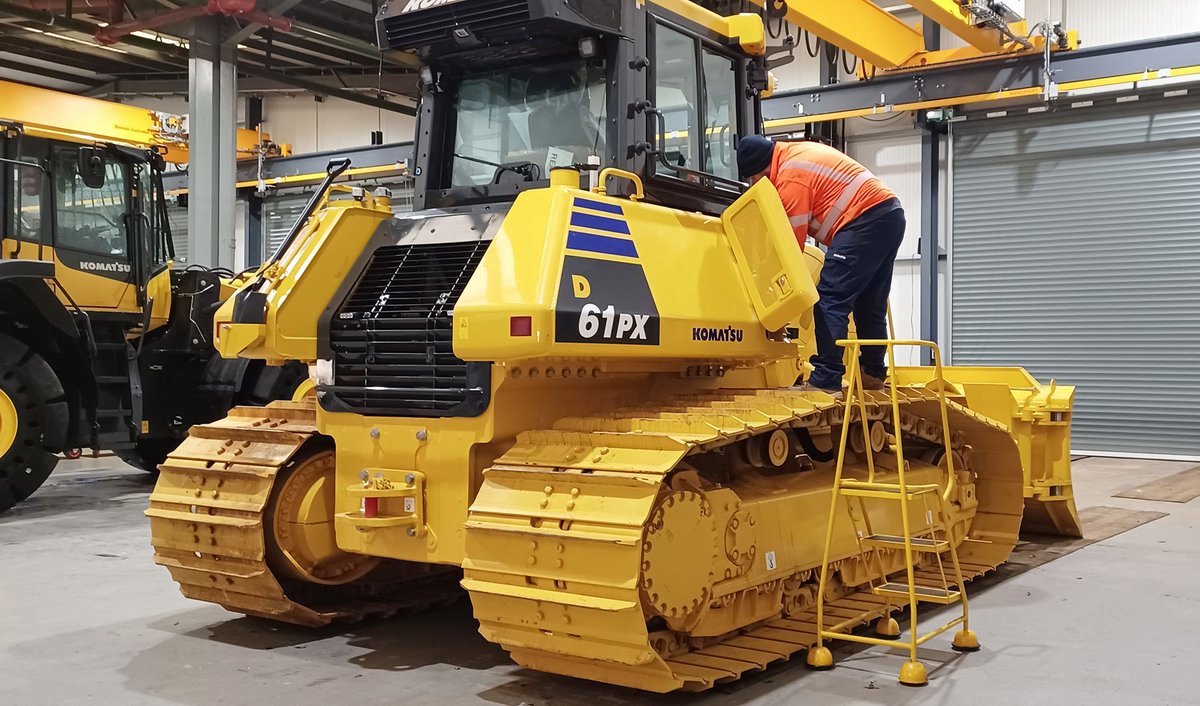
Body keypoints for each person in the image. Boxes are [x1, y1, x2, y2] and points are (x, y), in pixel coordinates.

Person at [736, 135, 906, 395]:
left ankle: (827, 378)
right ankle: (872, 373)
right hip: (889, 214)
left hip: (863, 218)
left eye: (754, 181)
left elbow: (790, 249)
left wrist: (769, 293)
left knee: (829, 297)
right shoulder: (795, 154)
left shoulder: (790, 177)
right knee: (869, 302)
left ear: (760, 174)